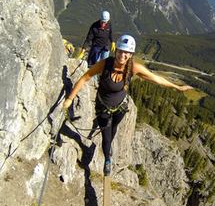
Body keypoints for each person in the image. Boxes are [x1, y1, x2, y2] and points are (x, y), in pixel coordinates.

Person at [63, 34, 193, 176]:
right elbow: (84, 78)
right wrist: (70, 98)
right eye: (120, 51)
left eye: (127, 52)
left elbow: (156, 79)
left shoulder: (133, 68)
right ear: (116, 51)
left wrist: (177, 87)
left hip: (120, 108)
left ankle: (109, 148)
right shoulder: (105, 64)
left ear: (131, 54)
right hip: (103, 108)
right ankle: (107, 159)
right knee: (107, 137)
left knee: (114, 128)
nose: (123, 55)